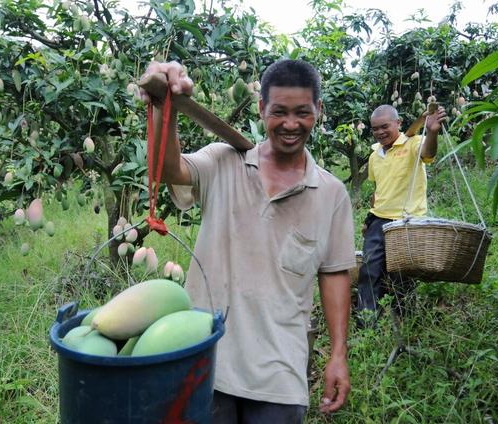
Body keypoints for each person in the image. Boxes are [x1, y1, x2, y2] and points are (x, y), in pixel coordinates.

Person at [139, 59, 355, 422]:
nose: (291, 124)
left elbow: (333, 273)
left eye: (302, 112)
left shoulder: (331, 194)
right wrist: (166, 106)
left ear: (318, 109)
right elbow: (167, 169)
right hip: (205, 361)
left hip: (279, 376)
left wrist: (338, 353)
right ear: (261, 109)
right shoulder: (222, 163)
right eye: (279, 112)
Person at [356, 104, 447, 326]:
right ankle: (367, 324)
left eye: (385, 126)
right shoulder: (375, 155)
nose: (380, 132)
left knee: (402, 274)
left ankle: (404, 321)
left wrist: (432, 131)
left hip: (407, 221)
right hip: (378, 220)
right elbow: (378, 191)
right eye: (375, 128)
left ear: (398, 123)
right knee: (369, 270)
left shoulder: (413, 143)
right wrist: (369, 219)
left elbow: (428, 153)